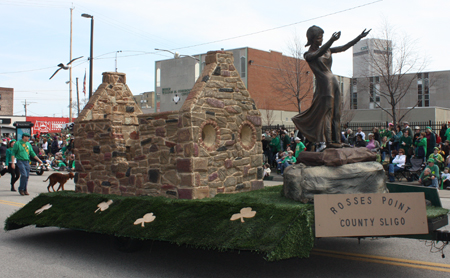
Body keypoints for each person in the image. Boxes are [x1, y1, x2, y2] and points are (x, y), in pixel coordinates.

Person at [292, 26, 370, 146]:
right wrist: (331, 40)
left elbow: (344, 47)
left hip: (333, 81)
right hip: (324, 84)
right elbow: (318, 53)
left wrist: (359, 37)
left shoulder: (327, 49)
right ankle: (329, 142)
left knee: (337, 113)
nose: (321, 40)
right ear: (312, 39)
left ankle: (338, 141)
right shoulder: (308, 54)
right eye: (319, 38)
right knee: (327, 112)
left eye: (322, 37)